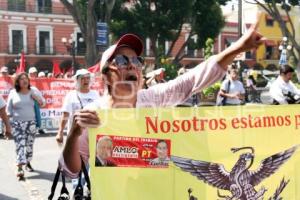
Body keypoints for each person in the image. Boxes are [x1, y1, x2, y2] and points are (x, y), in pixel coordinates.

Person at [60, 19, 265, 178]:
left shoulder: (152, 100)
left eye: (136, 61)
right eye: (122, 60)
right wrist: (73, 135)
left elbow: (190, 81)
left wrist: (238, 48)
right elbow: (72, 171)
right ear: (105, 75)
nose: (132, 65)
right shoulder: (93, 115)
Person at [6, 73, 45, 178]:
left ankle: (27, 162)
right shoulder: (13, 93)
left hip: (31, 123)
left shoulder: (33, 91)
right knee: (20, 145)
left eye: (26, 79)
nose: (24, 81)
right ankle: (19, 167)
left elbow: (42, 103)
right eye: (22, 79)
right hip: (17, 124)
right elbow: (8, 110)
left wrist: (36, 97)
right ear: (18, 82)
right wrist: (7, 126)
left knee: (29, 145)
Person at [55, 69, 102, 144]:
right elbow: (65, 115)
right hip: (76, 134)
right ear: (77, 80)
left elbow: (101, 113)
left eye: (87, 78)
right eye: (82, 78)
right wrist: (60, 132)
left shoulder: (95, 94)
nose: (85, 80)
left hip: (93, 133)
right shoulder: (71, 95)